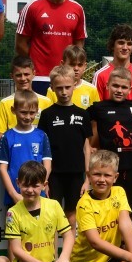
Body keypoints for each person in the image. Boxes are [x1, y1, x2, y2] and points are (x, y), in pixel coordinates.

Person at [4, 161, 76, 262]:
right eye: (26, 185)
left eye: (35, 186)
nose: (30, 190)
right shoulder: (12, 213)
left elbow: (68, 235)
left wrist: (64, 258)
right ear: (18, 183)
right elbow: (16, 249)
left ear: (44, 185)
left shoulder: (53, 205)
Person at [16, 0, 87, 93]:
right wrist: (33, 67)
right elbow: (20, 44)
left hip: (66, 79)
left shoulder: (77, 9)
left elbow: (79, 46)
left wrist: (71, 71)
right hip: (39, 78)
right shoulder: (32, 7)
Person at [38, 64, 93, 226]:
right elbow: (43, 147)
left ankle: (68, 251)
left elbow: (86, 147)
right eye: (59, 88)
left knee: (71, 213)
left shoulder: (83, 114)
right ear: (52, 88)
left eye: (67, 87)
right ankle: (53, 251)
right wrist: (44, 180)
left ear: (75, 85)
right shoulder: (47, 115)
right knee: (52, 214)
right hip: (54, 174)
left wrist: (87, 178)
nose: (64, 92)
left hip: (76, 174)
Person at [89, 68, 132, 215]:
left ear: (130, 88)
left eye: (124, 87)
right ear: (107, 85)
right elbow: (90, 132)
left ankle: (127, 239)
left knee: (129, 211)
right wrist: (90, 147)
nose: (119, 90)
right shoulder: (98, 108)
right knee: (108, 211)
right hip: (108, 169)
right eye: (115, 86)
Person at [0, 91, 52, 207]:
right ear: (13, 110)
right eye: (23, 112)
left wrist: (39, 188)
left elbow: (47, 165)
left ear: (37, 111)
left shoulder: (41, 135)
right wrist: (14, 194)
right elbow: (3, 169)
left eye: (32, 113)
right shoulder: (7, 136)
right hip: (15, 198)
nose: (28, 117)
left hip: (37, 196)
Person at [0, 56, 52, 144]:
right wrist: (21, 143)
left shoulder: (46, 101)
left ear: (34, 73)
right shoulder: (5, 103)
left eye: (26, 74)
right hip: (15, 153)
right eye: (19, 75)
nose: (23, 78)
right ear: (12, 76)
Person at [94, 24, 132, 108]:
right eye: (121, 43)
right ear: (112, 45)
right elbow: (96, 109)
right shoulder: (100, 75)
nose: (125, 47)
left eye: (129, 44)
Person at [45, 45, 100, 110]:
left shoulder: (91, 89)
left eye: (80, 65)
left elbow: (96, 115)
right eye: (72, 64)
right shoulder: (53, 90)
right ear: (62, 64)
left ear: (85, 66)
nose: (76, 68)